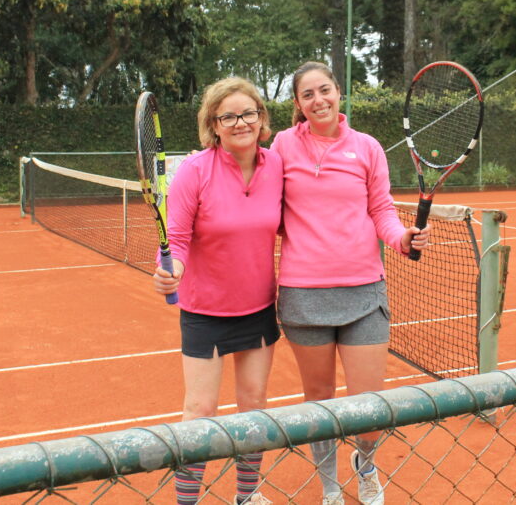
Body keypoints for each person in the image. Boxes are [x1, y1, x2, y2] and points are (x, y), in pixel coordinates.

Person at [271, 62, 430, 505]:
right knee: (319, 405)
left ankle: (366, 464)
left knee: (369, 411)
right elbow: (266, 206)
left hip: (364, 292)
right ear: (298, 104)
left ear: (339, 93)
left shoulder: (367, 147)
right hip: (304, 296)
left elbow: (381, 209)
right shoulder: (282, 145)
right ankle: (329, 489)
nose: (318, 100)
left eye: (325, 90)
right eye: (308, 94)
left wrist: (402, 238)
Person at [152, 77, 283, 505]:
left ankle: (247, 495)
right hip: (205, 311)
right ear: (214, 124)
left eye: (248, 113)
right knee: (199, 412)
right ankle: (187, 501)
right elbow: (178, 238)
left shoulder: (276, 165)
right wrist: (169, 269)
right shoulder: (194, 171)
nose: (240, 122)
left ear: (261, 118)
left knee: (254, 407)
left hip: (259, 307)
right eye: (228, 116)